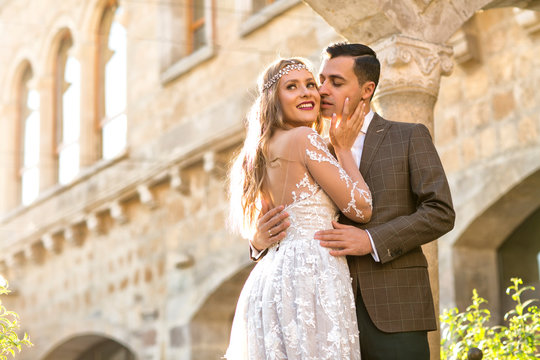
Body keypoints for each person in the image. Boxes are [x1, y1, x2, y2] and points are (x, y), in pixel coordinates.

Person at [252, 43, 456, 360]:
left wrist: (371, 240)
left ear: (366, 89)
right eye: (321, 80)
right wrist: (256, 242)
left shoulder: (408, 136)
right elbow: (283, 215)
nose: (321, 90)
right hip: (323, 310)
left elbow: (440, 212)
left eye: (336, 82)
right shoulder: (309, 144)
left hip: (395, 309)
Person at [225, 57, 373, 359]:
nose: (307, 93)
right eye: (292, 87)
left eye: (310, 85)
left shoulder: (260, 149)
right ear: (274, 99)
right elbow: (361, 208)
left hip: (272, 278)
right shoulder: (305, 138)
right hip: (311, 274)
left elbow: (262, 230)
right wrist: (342, 148)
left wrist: (256, 243)